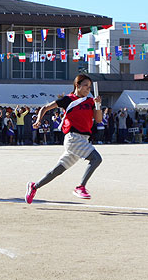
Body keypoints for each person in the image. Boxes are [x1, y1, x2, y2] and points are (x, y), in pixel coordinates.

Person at [25, 74, 103, 204]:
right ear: (77, 85)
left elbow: (99, 119)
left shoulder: (90, 102)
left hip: (83, 139)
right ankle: (81, 186)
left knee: (57, 170)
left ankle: (34, 186)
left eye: (89, 87)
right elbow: (45, 108)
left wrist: (98, 105)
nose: (88, 89)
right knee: (96, 158)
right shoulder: (68, 99)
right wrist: (39, 120)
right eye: (85, 86)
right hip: (73, 138)